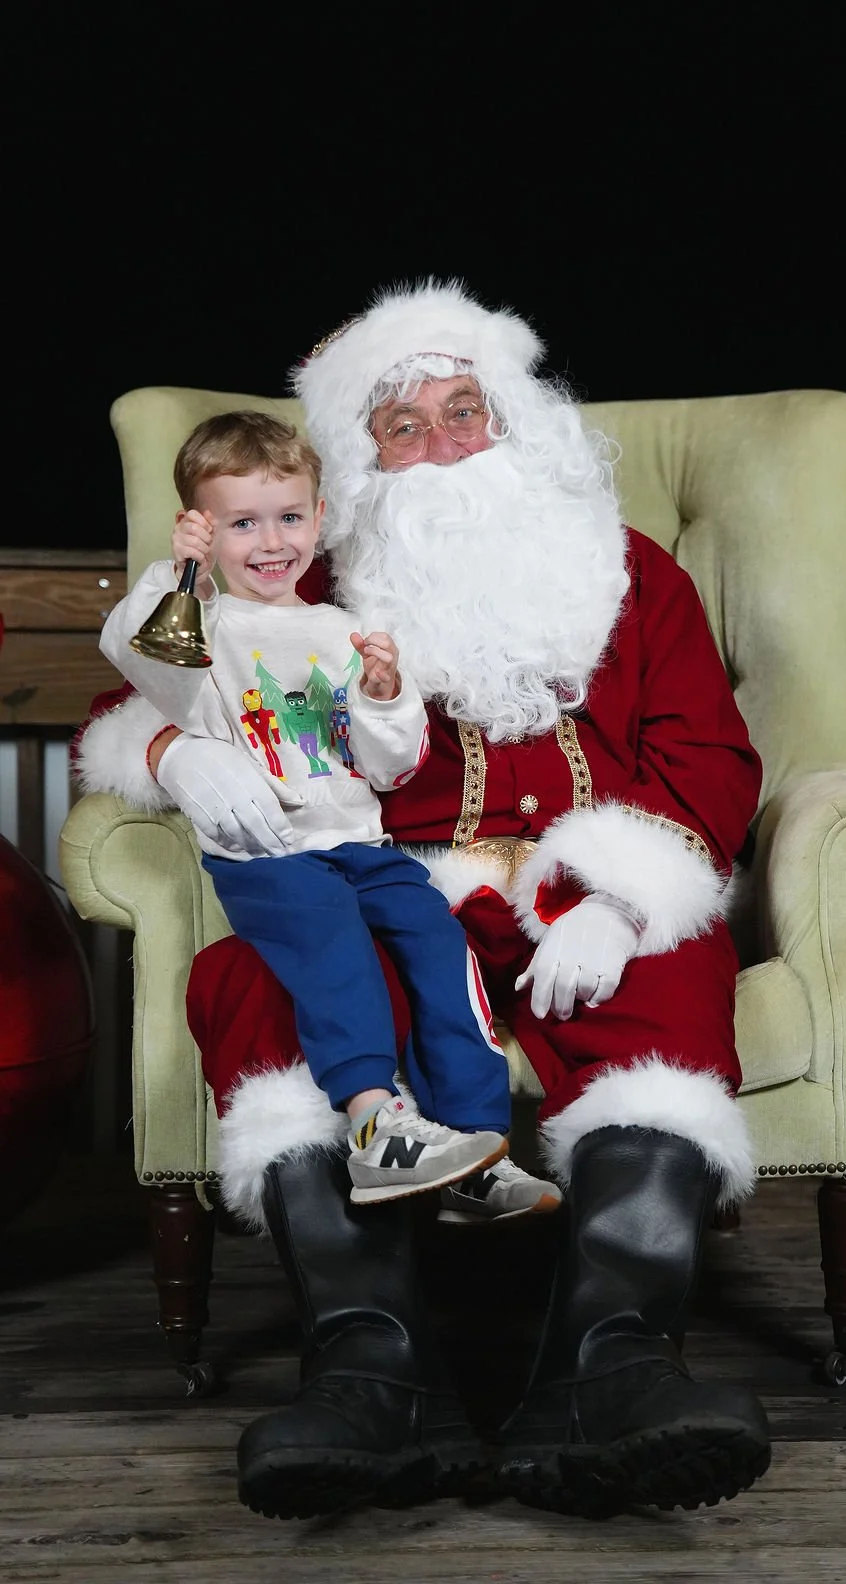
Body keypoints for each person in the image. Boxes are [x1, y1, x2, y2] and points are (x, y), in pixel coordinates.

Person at [76, 280, 772, 1521]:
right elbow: (138, 697)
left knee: (673, 973)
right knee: (255, 981)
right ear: (361, 460)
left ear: (515, 424)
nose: (444, 444)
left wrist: (624, 898)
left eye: (466, 412)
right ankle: (373, 1375)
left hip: (576, 895)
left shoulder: (631, 575)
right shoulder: (289, 573)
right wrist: (181, 756)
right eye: (404, 426)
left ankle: (608, 1375)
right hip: (380, 887)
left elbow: (710, 754)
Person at [99, 410, 559, 1214]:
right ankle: (376, 1125)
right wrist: (178, 574)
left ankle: (476, 1149)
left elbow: (388, 763)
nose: (271, 542)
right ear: (204, 529)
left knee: (436, 942)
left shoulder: (341, 629)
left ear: (319, 517)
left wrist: (385, 695)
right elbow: (137, 659)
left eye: (288, 517)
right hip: (271, 854)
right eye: (242, 523)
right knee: (336, 949)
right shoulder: (202, 624)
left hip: (362, 843)